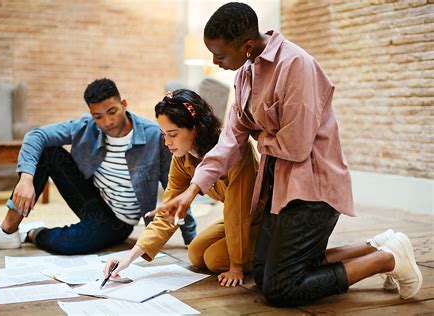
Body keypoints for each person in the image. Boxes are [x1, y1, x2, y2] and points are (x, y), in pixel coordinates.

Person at [150, 2, 422, 307]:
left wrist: (256, 135)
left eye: (221, 54)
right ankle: (376, 245)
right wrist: (192, 190)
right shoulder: (245, 73)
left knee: (281, 288)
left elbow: (296, 146)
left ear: (247, 45)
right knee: (265, 275)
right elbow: (230, 139)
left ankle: (387, 259)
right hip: (279, 186)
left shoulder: (295, 65)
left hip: (313, 190)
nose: (215, 60)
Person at [0, 78, 197, 255]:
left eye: (112, 111)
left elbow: (174, 186)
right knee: (49, 151)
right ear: (91, 114)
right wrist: (26, 178)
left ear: (123, 104)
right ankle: (7, 232)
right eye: (98, 116)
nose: (107, 122)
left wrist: (190, 237)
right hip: (92, 200)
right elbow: (36, 135)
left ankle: (32, 232)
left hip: (119, 222)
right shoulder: (86, 126)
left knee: (68, 245)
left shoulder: (154, 136)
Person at [104, 89, 263, 287]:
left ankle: (276, 252)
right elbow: (169, 212)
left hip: (261, 216)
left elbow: (238, 210)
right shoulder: (182, 157)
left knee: (215, 259)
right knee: (196, 253)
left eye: (173, 134)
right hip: (236, 217)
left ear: (195, 128)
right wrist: (130, 257)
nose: (166, 142)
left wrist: (237, 267)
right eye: (163, 134)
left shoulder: (235, 149)